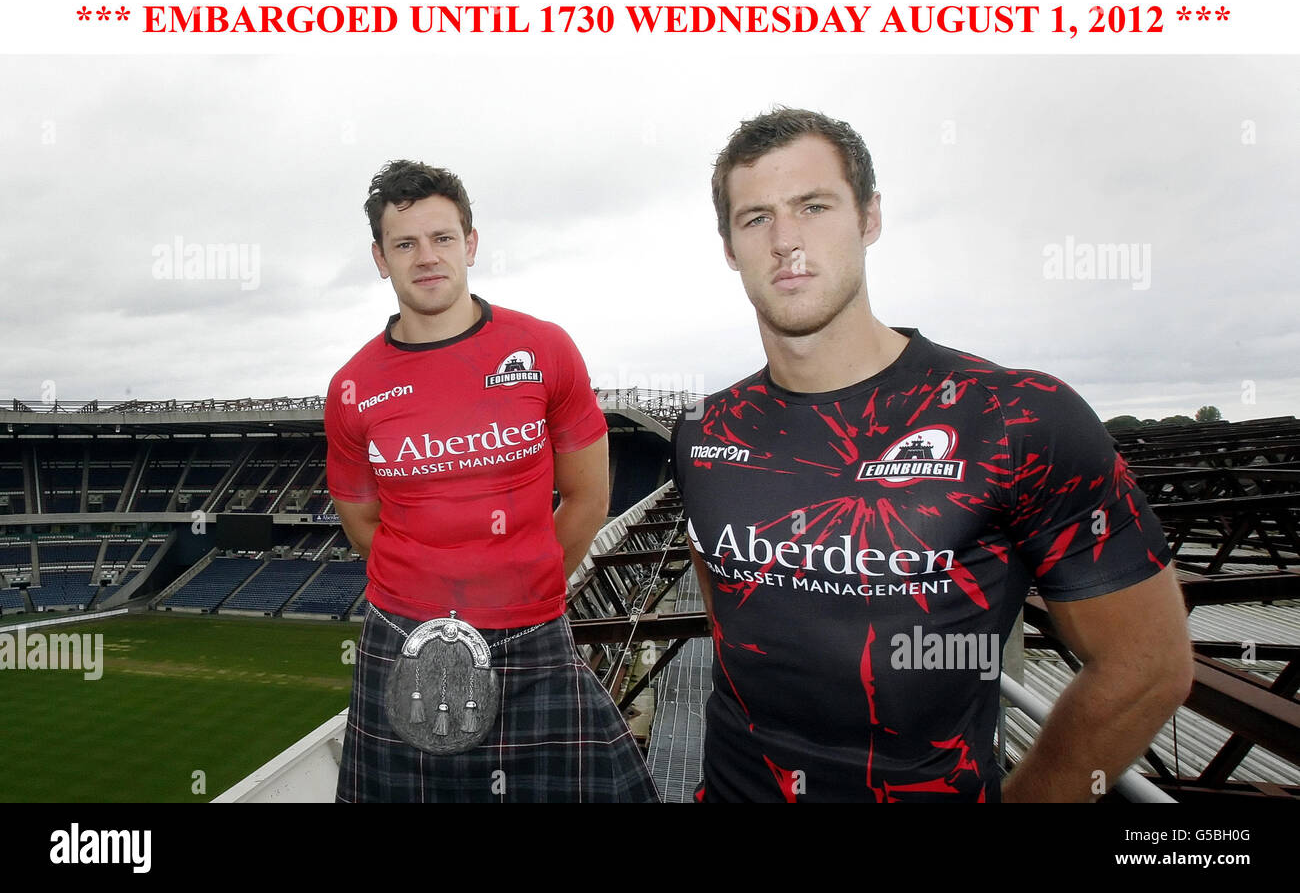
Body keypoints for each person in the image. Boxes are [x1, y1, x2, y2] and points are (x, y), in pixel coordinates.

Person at [672, 108, 1193, 802]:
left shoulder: (1015, 416)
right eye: (756, 218)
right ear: (730, 247)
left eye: (813, 206)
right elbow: (733, 610)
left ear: (870, 218)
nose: (786, 241)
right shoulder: (704, 433)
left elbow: (1148, 665)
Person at [326, 159, 659, 802]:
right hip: (404, 638)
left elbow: (589, 494)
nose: (427, 257)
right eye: (405, 243)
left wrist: (525, 584)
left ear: (471, 244)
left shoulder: (544, 349)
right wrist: (432, 596)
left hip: (535, 631)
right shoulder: (351, 388)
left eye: (443, 238)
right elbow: (363, 523)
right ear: (379, 257)